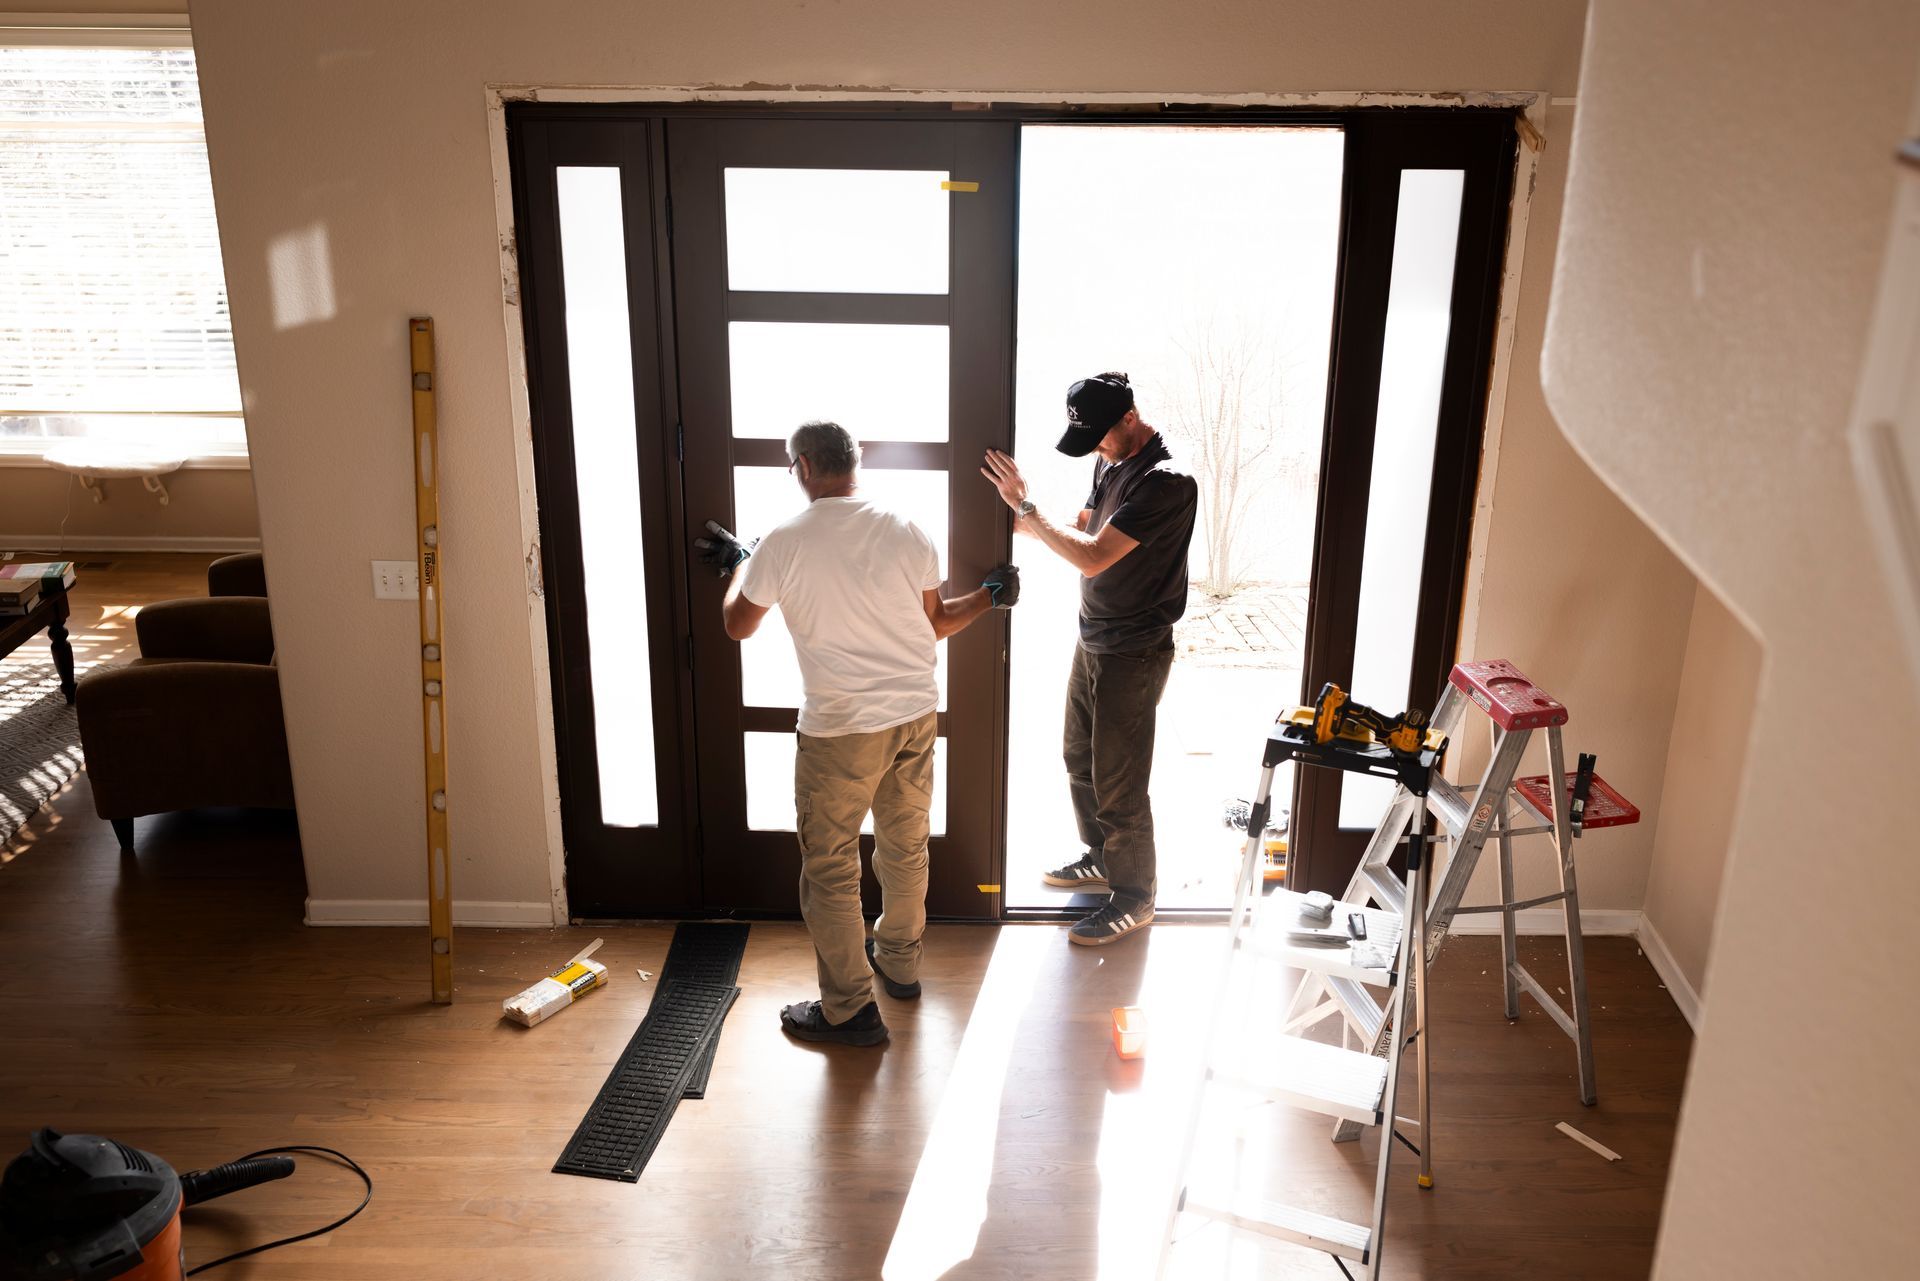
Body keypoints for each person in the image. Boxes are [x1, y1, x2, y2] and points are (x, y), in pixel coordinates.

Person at [697, 420, 1020, 1046]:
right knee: (905, 846)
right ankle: (899, 964)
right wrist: (990, 596)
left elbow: (738, 626)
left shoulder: (784, 542)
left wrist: (740, 563)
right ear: (857, 462)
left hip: (841, 730)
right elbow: (936, 623)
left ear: (804, 468)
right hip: (914, 719)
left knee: (831, 867)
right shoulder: (907, 529)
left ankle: (849, 1011)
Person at [980, 372, 1198, 945]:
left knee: (1120, 781)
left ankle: (1134, 897)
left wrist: (1026, 507)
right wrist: (1013, 524)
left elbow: (1096, 556)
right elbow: (1083, 526)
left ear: (1130, 417)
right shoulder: (1110, 462)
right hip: (1094, 635)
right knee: (1078, 755)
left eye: (1102, 435)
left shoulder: (1166, 483)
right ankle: (1103, 859)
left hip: (1136, 649)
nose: (1097, 448)